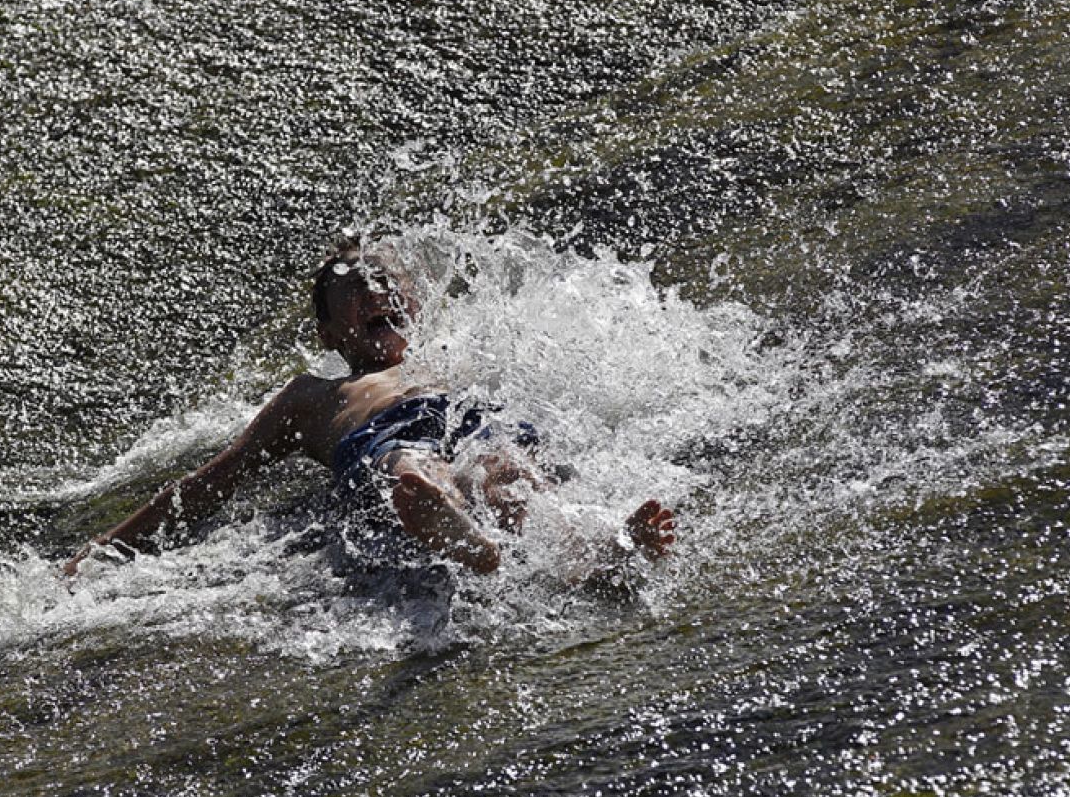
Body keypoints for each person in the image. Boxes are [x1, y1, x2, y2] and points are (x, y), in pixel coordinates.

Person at [63, 245, 676, 580]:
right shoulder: (311, 396)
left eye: (384, 280)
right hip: (383, 438)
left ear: (411, 301)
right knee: (407, 467)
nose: (373, 290)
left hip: (470, 416)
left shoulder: (455, 356)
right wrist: (109, 545)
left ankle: (599, 557)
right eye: (352, 288)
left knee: (509, 470)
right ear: (328, 333)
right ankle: (458, 531)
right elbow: (213, 480)